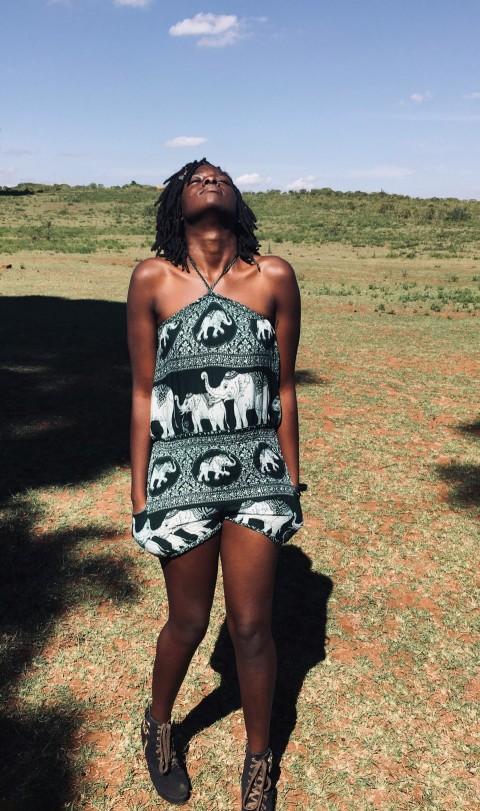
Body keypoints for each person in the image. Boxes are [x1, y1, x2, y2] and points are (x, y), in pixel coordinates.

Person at [127, 159, 303, 810]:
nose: (210, 176)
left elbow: (284, 384)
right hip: (177, 470)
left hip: (257, 467)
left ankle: (259, 766)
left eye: (221, 174)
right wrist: (140, 487)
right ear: (177, 200)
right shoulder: (153, 278)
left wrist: (289, 474)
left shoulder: (273, 276)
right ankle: (161, 725)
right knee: (189, 619)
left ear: (238, 201)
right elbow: (143, 389)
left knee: (252, 627)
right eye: (195, 175)